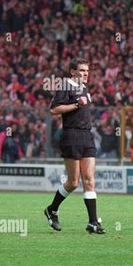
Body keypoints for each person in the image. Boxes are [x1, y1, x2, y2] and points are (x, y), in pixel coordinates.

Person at [44, 58, 106, 234]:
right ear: (73, 72)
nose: (86, 74)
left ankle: (93, 222)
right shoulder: (65, 86)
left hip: (87, 135)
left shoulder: (85, 88)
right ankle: (51, 209)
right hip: (71, 135)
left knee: (89, 180)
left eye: (87, 71)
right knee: (73, 182)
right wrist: (76, 104)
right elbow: (54, 110)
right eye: (82, 71)